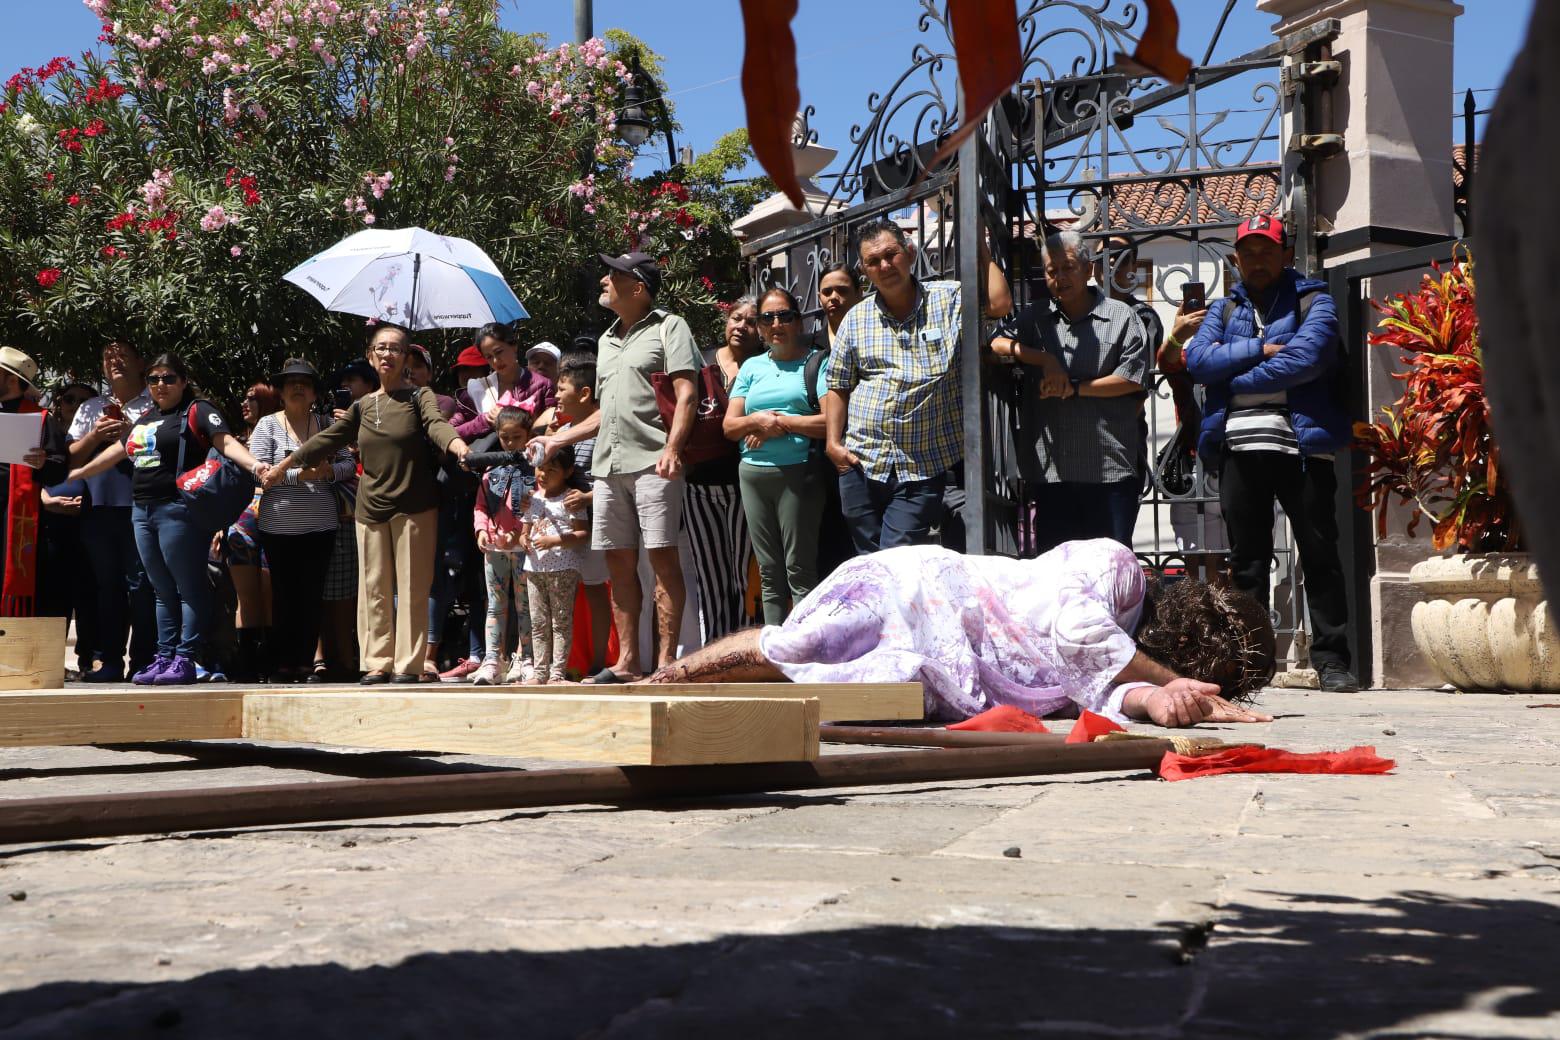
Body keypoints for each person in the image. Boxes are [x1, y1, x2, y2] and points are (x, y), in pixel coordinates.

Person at [646, 538, 1276, 730]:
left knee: (826, 679)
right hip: (923, 589)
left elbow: (1100, 693)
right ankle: (665, 677)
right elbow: (1074, 625)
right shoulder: (1122, 572)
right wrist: (1163, 678)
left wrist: (1160, 701)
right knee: (800, 645)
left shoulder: (1126, 659)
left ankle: (672, 684)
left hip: (944, 662)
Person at [1184, 213, 1358, 693]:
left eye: (1267, 251)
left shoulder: (1313, 300)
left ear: (1285, 255)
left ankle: (1333, 662)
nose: (1257, 261)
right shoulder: (1220, 311)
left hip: (1303, 446)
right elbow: (1196, 361)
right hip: (1241, 447)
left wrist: (1233, 374)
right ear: (1236, 259)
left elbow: (1308, 358)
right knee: (1248, 563)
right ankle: (1254, 666)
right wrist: (1261, 348)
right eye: (1248, 253)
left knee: (1321, 555)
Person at [263, 323, 472, 684]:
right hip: (371, 506)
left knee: (412, 587)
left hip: (415, 504)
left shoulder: (419, 396)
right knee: (373, 587)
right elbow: (325, 440)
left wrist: (458, 448)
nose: (387, 354)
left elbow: (438, 426)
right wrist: (283, 466)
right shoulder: (362, 406)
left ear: (406, 358)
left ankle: (408, 663)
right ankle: (377, 661)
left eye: (395, 348)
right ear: (371, 357)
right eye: (381, 348)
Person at [528, 252, 702, 683]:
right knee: (619, 566)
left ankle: (666, 664)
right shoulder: (605, 340)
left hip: (654, 462)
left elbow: (687, 394)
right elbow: (604, 412)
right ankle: (627, 663)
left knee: (662, 561)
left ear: (637, 287)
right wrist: (558, 438)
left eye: (613, 275)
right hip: (608, 467)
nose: (603, 280)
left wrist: (674, 447)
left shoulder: (670, 326)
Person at [70, 353, 269, 684]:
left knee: (188, 587)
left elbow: (227, 442)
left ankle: (186, 658)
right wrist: (77, 472)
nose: (161, 385)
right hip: (142, 510)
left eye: (168, 379)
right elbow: (116, 452)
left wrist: (256, 466)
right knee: (161, 589)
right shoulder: (146, 417)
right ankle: (164, 658)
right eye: (154, 379)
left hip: (178, 509)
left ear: (183, 381)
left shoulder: (198, 411)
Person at [825, 220, 1010, 553]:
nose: (884, 265)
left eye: (890, 254)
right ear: (864, 270)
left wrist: (979, 244)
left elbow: (999, 304)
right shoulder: (856, 318)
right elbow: (838, 384)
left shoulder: (949, 299)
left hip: (921, 466)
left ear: (908, 253)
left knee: (896, 557)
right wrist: (833, 443)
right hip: (860, 461)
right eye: (872, 261)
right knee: (868, 559)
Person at [989, 230, 1150, 553]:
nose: (1060, 277)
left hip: (1109, 471)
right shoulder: (1035, 318)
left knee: (1111, 570)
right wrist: (1043, 358)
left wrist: (1072, 388)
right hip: (1051, 475)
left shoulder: (1123, 318)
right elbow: (994, 343)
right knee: (1058, 577)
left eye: (1069, 268)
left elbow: (1131, 380)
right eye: (1052, 271)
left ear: (1088, 270)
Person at [248, 359, 356, 683]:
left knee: (311, 597)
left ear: (314, 392)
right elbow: (263, 474)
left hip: (321, 525)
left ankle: (306, 663)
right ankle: (282, 662)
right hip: (278, 525)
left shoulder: (326, 424)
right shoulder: (266, 425)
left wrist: (330, 471)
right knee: (283, 596)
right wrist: (304, 474)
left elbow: (349, 464)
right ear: (280, 391)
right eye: (291, 382)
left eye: (305, 383)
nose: (298, 388)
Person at [724, 287, 828, 624]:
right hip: (753, 475)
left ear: (798, 322)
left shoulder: (815, 362)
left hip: (798, 473)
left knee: (799, 568)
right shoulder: (752, 367)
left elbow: (830, 422)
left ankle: (805, 649)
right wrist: (756, 420)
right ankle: (773, 649)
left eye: (784, 315)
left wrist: (780, 422)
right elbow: (730, 426)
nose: (776, 323)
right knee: (768, 571)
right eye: (767, 318)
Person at [64, 339, 159, 681]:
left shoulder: (155, 401)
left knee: (142, 586)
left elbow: (163, 452)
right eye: (107, 357)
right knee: (106, 587)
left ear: (140, 361)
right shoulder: (91, 407)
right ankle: (110, 662)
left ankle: (145, 661)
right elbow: (70, 457)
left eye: (121, 356)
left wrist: (129, 435)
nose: (114, 362)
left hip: (141, 505)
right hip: (98, 508)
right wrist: (93, 436)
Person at [684, 295, 758, 644]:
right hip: (698, 484)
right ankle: (714, 651)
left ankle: (744, 648)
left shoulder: (763, 365)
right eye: (736, 318)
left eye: (751, 321)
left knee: (745, 573)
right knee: (710, 576)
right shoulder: (701, 362)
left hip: (745, 483)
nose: (742, 326)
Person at [550, 352, 612, 674]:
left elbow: (616, 476)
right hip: (572, 527)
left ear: (585, 393)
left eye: (562, 389)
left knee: (600, 589)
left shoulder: (603, 427)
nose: (556, 396)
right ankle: (567, 664)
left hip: (599, 524)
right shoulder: (564, 429)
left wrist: (588, 497)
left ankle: (601, 662)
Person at [218, 381, 281, 681]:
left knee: (268, 591)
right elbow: (221, 486)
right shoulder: (235, 441)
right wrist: (219, 524)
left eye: (252, 399)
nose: (245, 403)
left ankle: (269, 661)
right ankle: (246, 664)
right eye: (243, 398)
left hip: (273, 515)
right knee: (245, 595)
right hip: (238, 520)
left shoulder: (279, 435)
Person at [470, 406, 537, 685]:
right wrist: (481, 531)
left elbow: (538, 505)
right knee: (495, 606)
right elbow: (481, 506)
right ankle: (492, 660)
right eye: (504, 437)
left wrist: (520, 531)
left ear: (528, 435)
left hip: (525, 550)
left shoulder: (536, 468)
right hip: (495, 550)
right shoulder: (490, 470)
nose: (510, 443)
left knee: (526, 606)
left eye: (516, 437)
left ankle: (527, 658)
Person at [0, 347, 68, 618]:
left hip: (14, 516)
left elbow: (58, 469)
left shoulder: (40, 419)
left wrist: (43, 462)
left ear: (12, 380)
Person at [40, 382, 98, 674]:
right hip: (51, 524)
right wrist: (46, 500)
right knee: (55, 595)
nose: (75, 405)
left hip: (90, 524)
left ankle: (88, 660)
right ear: (59, 403)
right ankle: (51, 665)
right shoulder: (44, 432)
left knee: (90, 593)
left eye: (85, 401)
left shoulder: (101, 440)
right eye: (70, 399)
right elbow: (23, 476)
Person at [519, 446, 588, 684]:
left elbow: (582, 534)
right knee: (538, 622)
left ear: (567, 472)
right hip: (535, 568)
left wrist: (554, 541)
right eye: (540, 468)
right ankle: (540, 672)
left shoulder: (571, 499)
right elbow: (524, 531)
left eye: (551, 469)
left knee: (560, 621)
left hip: (563, 568)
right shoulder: (532, 498)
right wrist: (524, 539)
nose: (543, 474)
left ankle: (557, 672)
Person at [456, 322, 553, 444]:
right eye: (489, 357)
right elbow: (451, 433)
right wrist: (485, 420)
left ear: (514, 346)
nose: (496, 361)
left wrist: (521, 423)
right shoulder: (477, 388)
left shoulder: (542, 385)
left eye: (499, 352)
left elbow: (553, 429)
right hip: (489, 461)